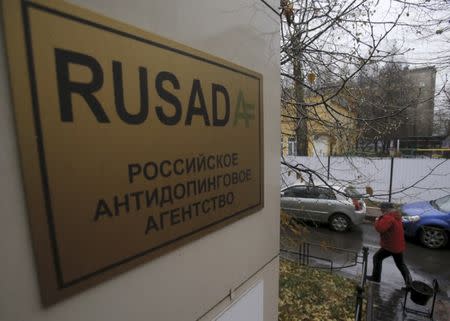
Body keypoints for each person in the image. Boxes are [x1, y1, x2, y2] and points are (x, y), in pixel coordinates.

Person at [367, 202, 411, 287]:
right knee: (401, 265)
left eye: (382, 209)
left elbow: (380, 228)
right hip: (398, 245)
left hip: (391, 246)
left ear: (385, 209)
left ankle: (376, 278)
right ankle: (409, 284)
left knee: (377, 258)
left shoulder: (388, 217)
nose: (381, 210)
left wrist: (377, 220)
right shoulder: (396, 215)